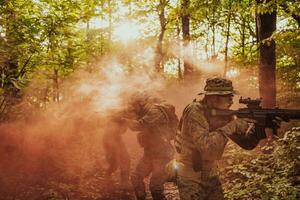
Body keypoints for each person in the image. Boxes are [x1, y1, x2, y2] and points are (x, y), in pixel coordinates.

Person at [174, 77, 272, 200]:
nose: (231, 101)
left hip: (211, 174)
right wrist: (232, 126)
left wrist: (260, 126)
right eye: (228, 97)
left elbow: (247, 144)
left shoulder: (224, 114)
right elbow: (206, 147)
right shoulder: (194, 110)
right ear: (213, 97)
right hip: (190, 174)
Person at [124, 92, 178, 200]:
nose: (133, 108)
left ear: (141, 103)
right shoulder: (146, 111)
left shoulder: (155, 111)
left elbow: (140, 125)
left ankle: (177, 176)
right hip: (150, 154)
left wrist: (124, 121)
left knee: (155, 187)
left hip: (163, 156)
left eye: (134, 105)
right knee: (136, 177)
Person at [102, 111, 131, 188]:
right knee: (115, 163)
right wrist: (111, 150)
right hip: (110, 139)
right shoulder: (119, 115)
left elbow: (122, 131)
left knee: (125, 159)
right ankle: (107, 177)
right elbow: (113, 129)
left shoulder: (124, 116)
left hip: (116, 138)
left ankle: (124, 181)